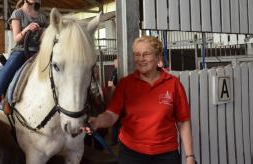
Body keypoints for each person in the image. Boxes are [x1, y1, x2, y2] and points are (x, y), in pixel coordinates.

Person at [82, 36, 196, 164]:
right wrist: (96, 122)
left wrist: (190, 156)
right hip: (132, 155)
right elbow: (111, 115)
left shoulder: (173, 84)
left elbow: (183, 121)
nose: (141, 59)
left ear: (158, 57)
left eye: (146, 54)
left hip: (166, 155)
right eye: (137, 54)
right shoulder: (126, 84)